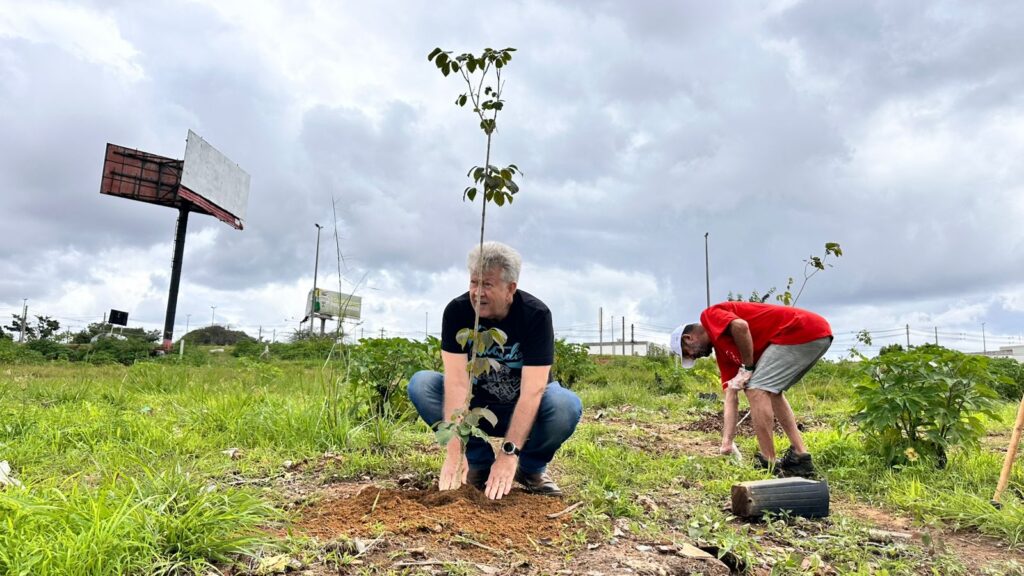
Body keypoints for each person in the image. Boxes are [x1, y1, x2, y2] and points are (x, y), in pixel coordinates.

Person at [408, 241, 583, 500]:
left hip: (524, 407)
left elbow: (534, 390)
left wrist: (509, 453)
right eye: (473, 282)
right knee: (422, 384)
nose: (477, 292)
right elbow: (456, 383)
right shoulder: (457, 313)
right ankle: (477, 463)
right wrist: (455, 452)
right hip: (477, 407)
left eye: (487, 284)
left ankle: (529, 469)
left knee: (565, 404)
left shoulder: (536, 315)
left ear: (510, 288)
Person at [670, 302, 832, 477]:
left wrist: (747, 368)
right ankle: (801, 458)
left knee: (756, 389)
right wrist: (727, 441)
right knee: (773, 392)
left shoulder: (709, 316)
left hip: (801, 329)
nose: (695, 357)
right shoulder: (724, 353)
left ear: (688, 338)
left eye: (688, 353)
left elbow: (741, 326)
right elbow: (731, 394)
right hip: (814, 334)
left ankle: (768, 462)